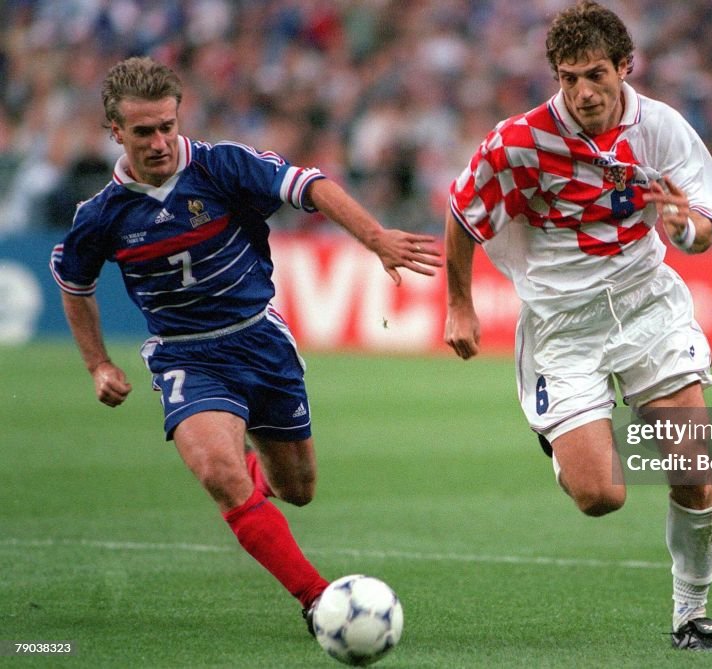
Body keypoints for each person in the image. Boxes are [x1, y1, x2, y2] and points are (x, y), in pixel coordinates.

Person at [49, 57, 441, 633]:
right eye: (143, 132)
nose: (159, 142)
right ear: (115, 132)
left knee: (298, 490)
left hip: (260, 341)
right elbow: (73, 283)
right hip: (185, 354)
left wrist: (375, 237)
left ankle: (255, 471)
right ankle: (317, 602)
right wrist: (98, 363)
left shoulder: (222, 166)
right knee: (217, 472)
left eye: (167, 126)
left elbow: (311, 186)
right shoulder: (101, 215)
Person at [444, 1, 712, 652]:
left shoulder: (660, 129)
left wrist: (681, 223)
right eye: (568, 77)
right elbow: (462, 213)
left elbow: (703, 229)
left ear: (625, 67)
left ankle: (691, 613)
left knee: (691, 466)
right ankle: (564, 440)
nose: (583, 91)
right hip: (563, 323)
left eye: (596, 74)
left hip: (645, 303)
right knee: (600, 495)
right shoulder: (518, 142)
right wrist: (459, 304)